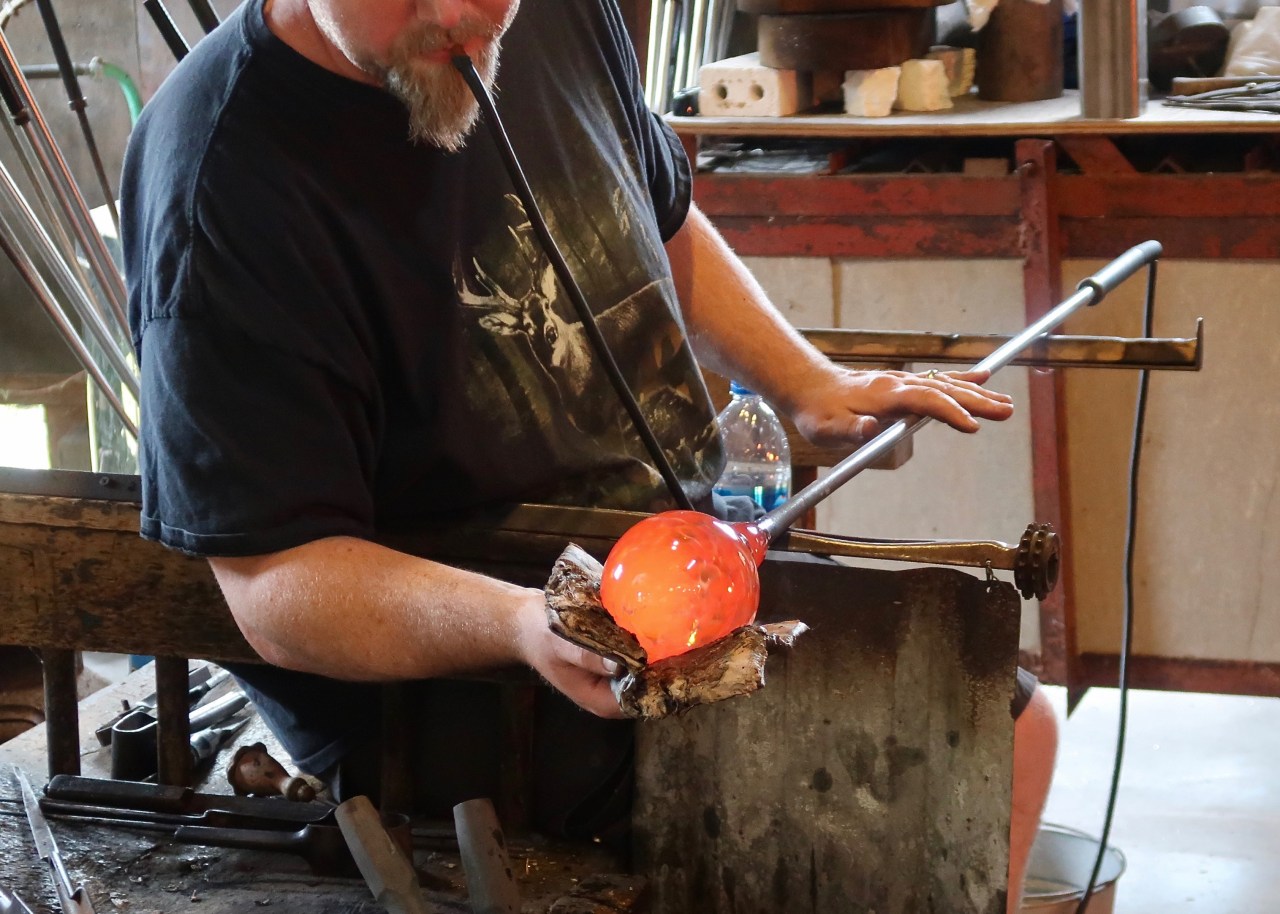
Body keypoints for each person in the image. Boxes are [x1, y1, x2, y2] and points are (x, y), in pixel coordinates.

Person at [122, 0, 1054, 907]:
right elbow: (277, 587)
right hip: (458, 678)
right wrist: (525, 623)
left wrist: (805, 382)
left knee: (1008, 728)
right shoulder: (219, 181)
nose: (455, 12)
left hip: (671, 571)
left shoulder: (550, 14)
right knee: (900, 797)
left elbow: (653, 207)